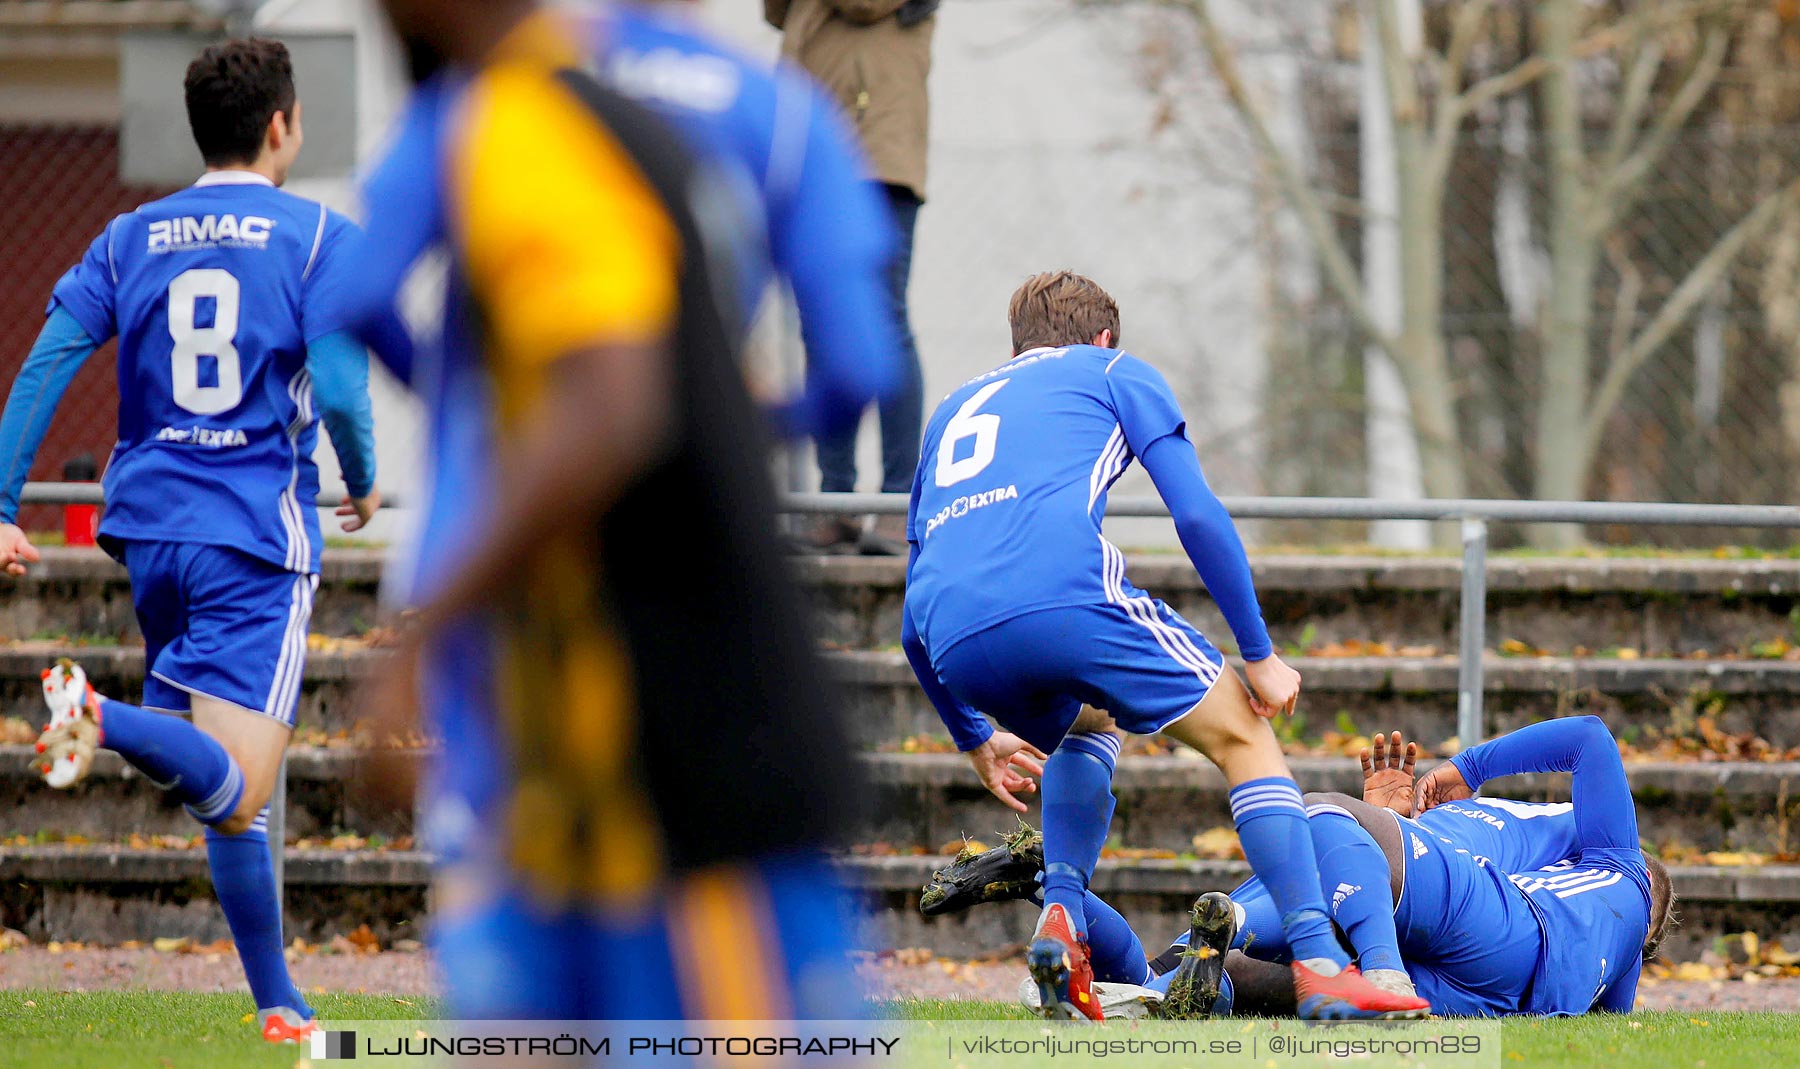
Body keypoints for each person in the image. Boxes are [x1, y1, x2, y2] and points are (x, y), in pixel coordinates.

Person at [348, 0, 863, 1020]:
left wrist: (425, 629)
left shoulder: (509, 117)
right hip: (602, 726)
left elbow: (610, 402)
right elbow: (856, 365)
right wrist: (739, 428)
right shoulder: (776, 111)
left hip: (668, 745)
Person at [901, 270, 1427, 1020]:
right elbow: (1198, 515)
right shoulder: (1114, 370)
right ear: (1105, 336)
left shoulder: (952, 410)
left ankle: (1062, 918)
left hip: (949, 635)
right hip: (1060, 595)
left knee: (1095, 717)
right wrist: (1259, 653)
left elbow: (906, 622)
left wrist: (973, 737)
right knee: (1245, 734)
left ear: (1017, 346)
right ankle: (1320, 960)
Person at [0, 39, 379, 1043]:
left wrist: (1, 501)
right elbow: (340, 385)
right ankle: (100, 712)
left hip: (152, 534)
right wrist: (365, 470)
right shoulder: (315, 238)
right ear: (281, 125)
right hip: (253, 536)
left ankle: (277, 1002)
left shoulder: (131, 235)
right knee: (241, 783)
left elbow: (46, 362)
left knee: (221, 793)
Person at [592, 1, 903, 444]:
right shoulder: (783, 113)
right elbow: (860, 368)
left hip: (519, 474)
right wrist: (752, 432)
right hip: (693, 463)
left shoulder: (517, 84)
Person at [766, 0, 933, 552]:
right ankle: (834, 500)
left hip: (876, 154)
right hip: (816, 152)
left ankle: (896, 502)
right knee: (819, 323)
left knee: (883, 319)